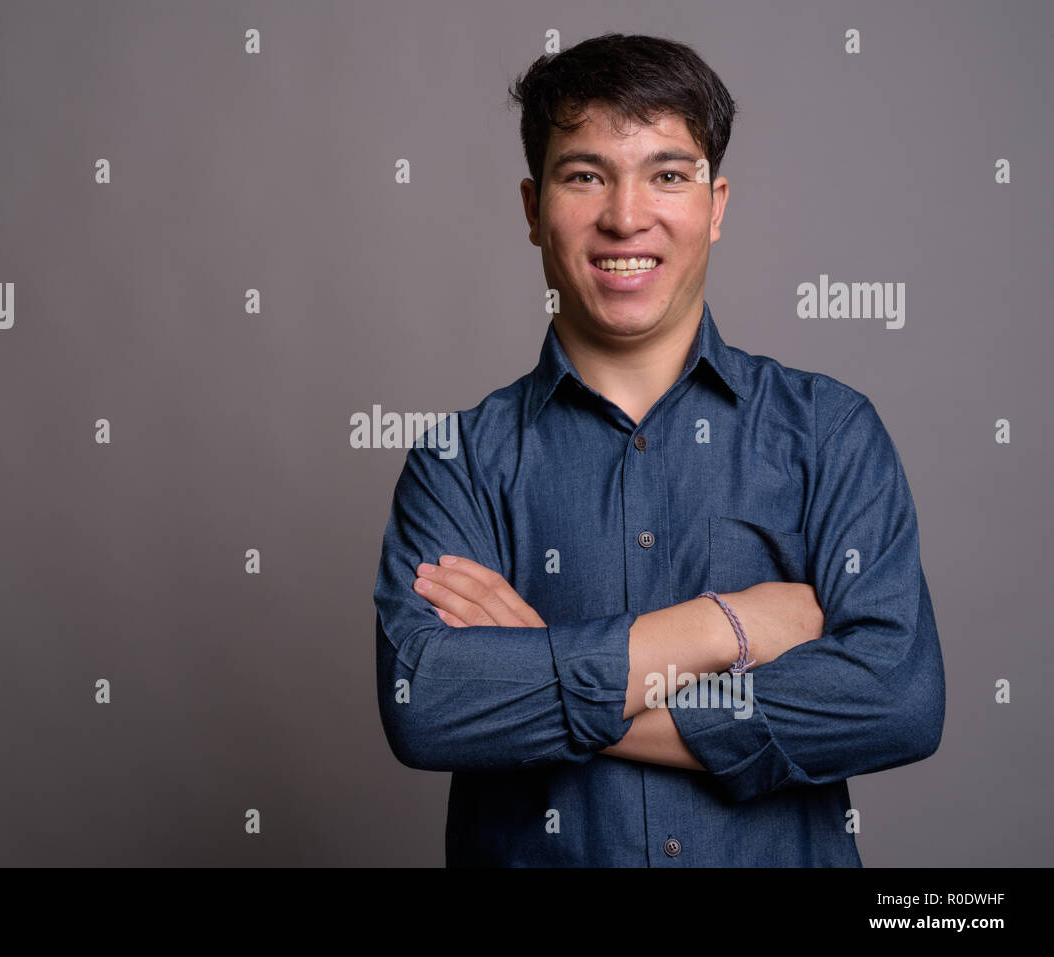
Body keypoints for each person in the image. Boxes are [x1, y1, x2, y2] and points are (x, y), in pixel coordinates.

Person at [372, 33, 945, 867]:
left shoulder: (830, 431)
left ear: (715, 204)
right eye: (585, 174)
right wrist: (726, 625)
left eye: (667, 174)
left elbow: (897, 700)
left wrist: (546, 680)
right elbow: (426, 703)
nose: (626, 215)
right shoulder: (456, 460)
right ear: (532, 208)